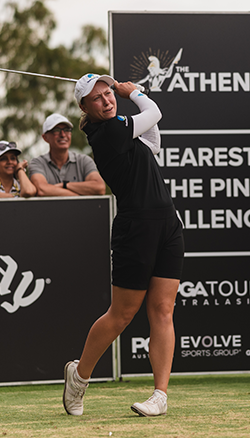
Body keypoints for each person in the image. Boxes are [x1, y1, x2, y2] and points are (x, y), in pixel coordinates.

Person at [62, 74, 184, 417]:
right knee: (122, 315)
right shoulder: (106, 132)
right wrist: (135, 93)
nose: (106, 100)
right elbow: (154, 112)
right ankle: (79, 377)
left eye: (108, 93)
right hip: (136, 228)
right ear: (84, 107)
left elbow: (153, 142)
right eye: (98, 98)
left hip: (168, 224)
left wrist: (128, 99)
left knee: (163, 311)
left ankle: (160, 395)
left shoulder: (122, 129)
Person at [28, 113, 106, 197]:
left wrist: (64, 185)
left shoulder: (84, 161)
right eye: (56, 130)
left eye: (67, 129)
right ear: (45, 137)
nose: (63, 134)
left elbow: (100, 187)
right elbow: (42, 190)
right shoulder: (37, 163)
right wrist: (78, 197)